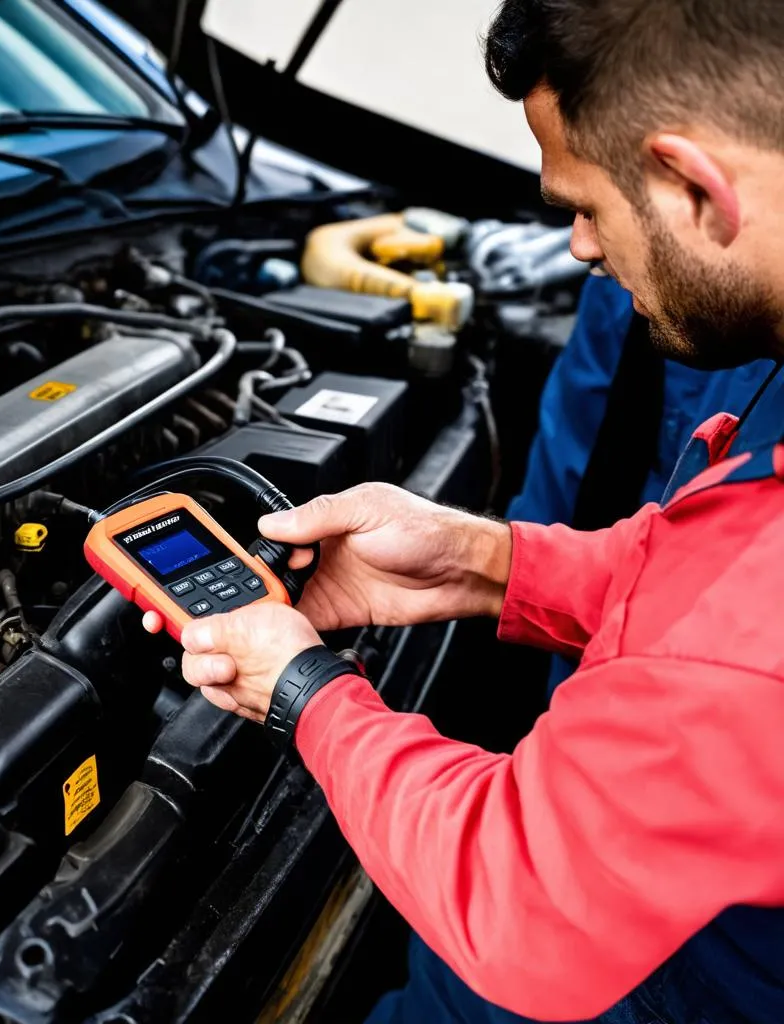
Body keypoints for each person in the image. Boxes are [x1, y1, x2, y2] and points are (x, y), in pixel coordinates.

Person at [144, 1, 784, 1020]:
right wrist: (484, 560)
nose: (576, 247)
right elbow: (691, 575)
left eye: (582, 204)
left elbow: (519, 898)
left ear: (693, 186)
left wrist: (301, 686)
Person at [508, 273, 775, 697]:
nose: (581, 248)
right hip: (591, 630)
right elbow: (570, 457)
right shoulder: (622, 283)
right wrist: (497, 560)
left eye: (593, 214)